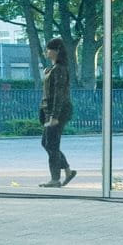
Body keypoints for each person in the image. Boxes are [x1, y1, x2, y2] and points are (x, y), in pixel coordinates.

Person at [39, 36, 76, 188]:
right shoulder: (52, 69)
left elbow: (59, 94)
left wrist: (54, 116)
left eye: (49, 49)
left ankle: (55, 179)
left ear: (57, 51)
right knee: (46, 143)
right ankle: (67, 171)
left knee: (52, 144)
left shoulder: (60, 69)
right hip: (49, 111)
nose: (46, 51)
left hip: (58, 112)